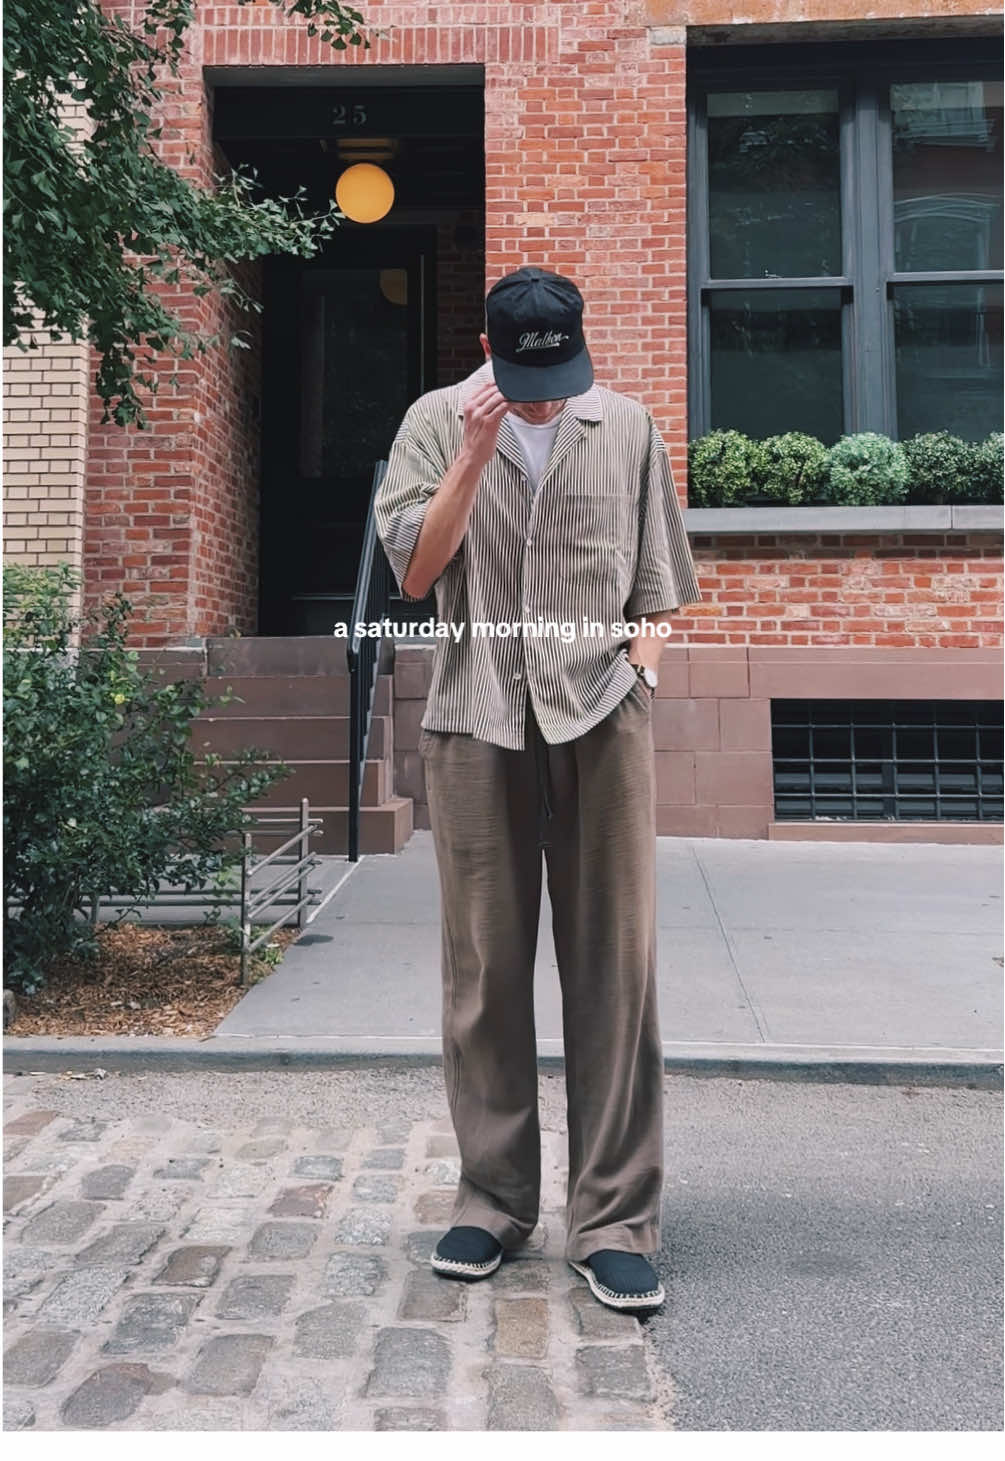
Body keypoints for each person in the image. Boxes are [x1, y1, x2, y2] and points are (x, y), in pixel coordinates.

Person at [374, 266, 703, 1311]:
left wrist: (641, 676)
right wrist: (474, 453)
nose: (547, 401)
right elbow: (415, 576)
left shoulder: (628, 428)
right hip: (475, 721)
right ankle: (493, 1200)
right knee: (485, 976)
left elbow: (658, 587)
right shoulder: (432, 424)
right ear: (488, 351)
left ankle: (613, 1219)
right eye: (526, 382)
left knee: (616, 972)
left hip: (602, 722)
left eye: (561, 378)